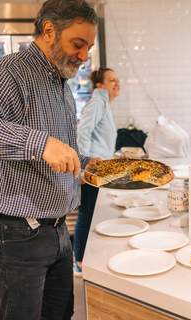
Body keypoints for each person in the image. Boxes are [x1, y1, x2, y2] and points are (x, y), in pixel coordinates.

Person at [0, 0, 100, 319]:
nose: (85, 57)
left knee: (61, 314)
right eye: (78, 44)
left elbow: (57, 149)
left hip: (58, 231)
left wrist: (84, 163)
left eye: (89, 47)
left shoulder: (60, 83)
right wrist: (40, 143)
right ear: (49, 31)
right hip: (17, 236)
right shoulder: (11, 71)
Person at [74, 68, 120, 277]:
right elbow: (83, 132)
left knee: (93, 215)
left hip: (101, 171)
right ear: (99, 85)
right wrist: (84, 168)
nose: (116, 84)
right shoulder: (98, 103)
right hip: (93, 172)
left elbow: (99, 138)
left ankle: (86, 258)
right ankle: (80, 261)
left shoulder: (104, 104)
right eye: (112, 80)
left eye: (117, 80)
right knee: (87, 215)